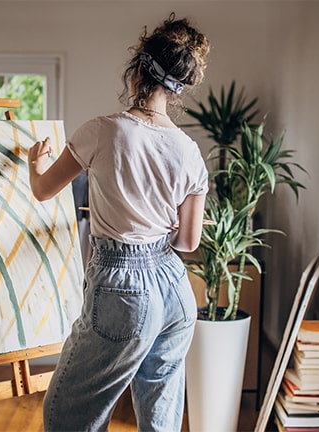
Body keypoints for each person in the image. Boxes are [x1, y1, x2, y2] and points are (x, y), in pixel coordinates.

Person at [28, 14, 210, 431]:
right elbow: (187, 241)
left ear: (137, 72)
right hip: (174, 289)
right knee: (160, 416)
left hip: (123, 291)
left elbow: (43, 190)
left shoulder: (102, 131)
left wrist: (34, 165)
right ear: (177, 88)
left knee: (68, 414)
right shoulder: (189, 151)